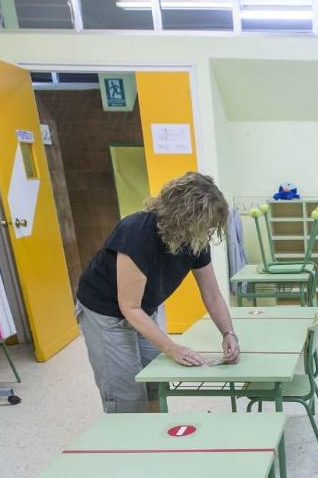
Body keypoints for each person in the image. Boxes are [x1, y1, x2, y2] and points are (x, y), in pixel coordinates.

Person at [75, 171, 239, 413]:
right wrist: (172, 347)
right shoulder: (136, 232)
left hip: (143, 309)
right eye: (204, 225)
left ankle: (153, 432)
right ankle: (131, 434)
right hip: (105, 312)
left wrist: (228, 333)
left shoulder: (195, 238)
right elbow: (129, 307)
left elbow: (212, 294)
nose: (207, 232)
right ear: (182, 217)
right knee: (127, 393)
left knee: (155, 380)